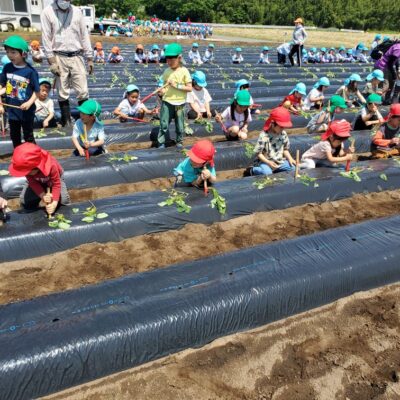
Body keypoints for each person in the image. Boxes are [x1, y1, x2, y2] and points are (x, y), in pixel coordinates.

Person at [41, 0, 93, 127]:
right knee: (62, 90)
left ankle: (84, 121)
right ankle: (67, 121)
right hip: (59, 56)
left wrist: (90, 58)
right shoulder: (47, 12)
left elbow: (84, 35)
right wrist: (52, 61)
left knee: (82, 90)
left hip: (77, 55)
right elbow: (46, 37)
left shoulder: (77, 12)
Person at [0, 35, 40, 148]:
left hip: (26, 112)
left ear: (23, 54)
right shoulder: (7, 67)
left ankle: (33, 157)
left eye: (13, 52)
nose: (9, 55)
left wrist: (28, 103)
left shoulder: (30, 72)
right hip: (12, 110)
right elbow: (2, 86)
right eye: (7, 52)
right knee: (14, 136)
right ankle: (19, 157)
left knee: (28, 136)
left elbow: (37, 92)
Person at [9, 142, 70, 215]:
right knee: (24, 200)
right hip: (37, 181)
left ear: (36, 168)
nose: (26, 174)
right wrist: (43, 196)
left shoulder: (52, 165)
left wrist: (54, 203)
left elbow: (56, 184)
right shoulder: (27, 169)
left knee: (64, 200)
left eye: (28, 172)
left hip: (54, 179)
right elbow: (33, 183)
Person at [158, 43, 192, 149]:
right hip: (167, 101)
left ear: (179, 58)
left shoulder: (184, 71)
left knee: (180, 124)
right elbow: (163, 86)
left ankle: (179, 141)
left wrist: (176, 85)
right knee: (164, 123)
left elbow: (189, 88)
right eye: (167, 59)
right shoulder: (167, 71)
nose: (169, 62)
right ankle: (161, 142)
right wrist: (161, 91)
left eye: (172, 59)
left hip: (180, 103)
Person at [248, 107, 295, 176]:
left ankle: (275, 170)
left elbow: (285, 149)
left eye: (284, 127)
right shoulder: (264, 136)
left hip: (279, 161)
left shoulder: (283, 134)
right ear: (273, 124)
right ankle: (253, 170)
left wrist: (290, 158)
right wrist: (268, 162)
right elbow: (258, 153)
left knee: (293, 168)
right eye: (281, 127)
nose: (283, 129)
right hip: (265, 162)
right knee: (268, 173)